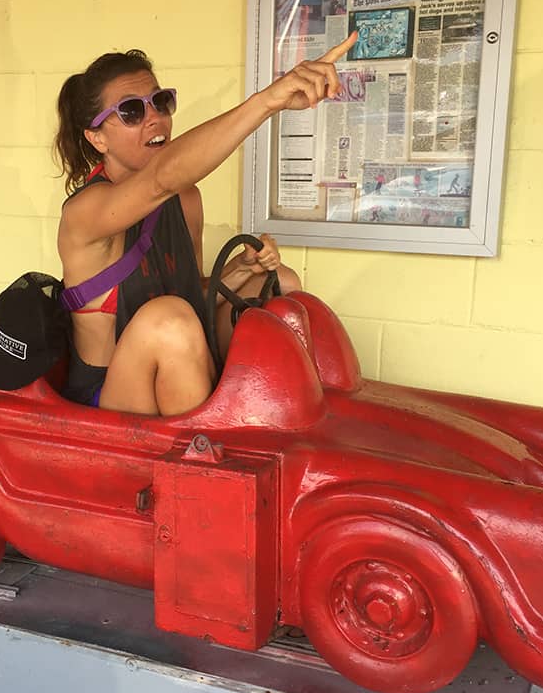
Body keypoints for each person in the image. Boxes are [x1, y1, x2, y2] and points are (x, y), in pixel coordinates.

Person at [54, 33, 357, 416]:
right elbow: (162, 177)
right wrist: (269, 101)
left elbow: (191, 292)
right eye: (132, 111)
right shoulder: (86, 211)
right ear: (97, 138)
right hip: (110, 404)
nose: (155, 119)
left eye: (160, 102)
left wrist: (241, 270)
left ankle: (280, 424)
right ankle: (204, 462)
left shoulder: (186, 199)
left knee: (279, 282)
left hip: (179, 365)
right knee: (168, 321)